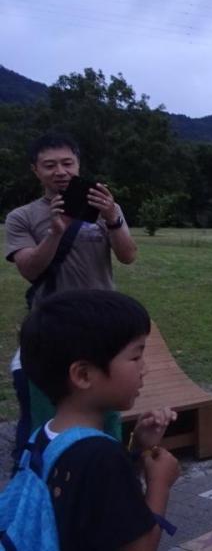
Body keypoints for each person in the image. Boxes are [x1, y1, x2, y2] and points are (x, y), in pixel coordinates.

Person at [5, 132, 138, 458]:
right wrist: (54, 232)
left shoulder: (105, 207)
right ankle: (48, 480)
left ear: (78, 165)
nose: (60, 171)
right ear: (35, 170)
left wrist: (113, 219)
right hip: (53, 328)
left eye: (67, 163)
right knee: (50, 417)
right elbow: (30, 270)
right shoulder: (21, 217)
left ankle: (109, 469)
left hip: (102, 326)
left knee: (106, 410)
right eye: (49, 165)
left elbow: (128, 255)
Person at [18, 289, 180, 551]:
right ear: (83, 375)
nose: (145, 368)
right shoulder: (102, 457)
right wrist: (159, 483)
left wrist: (137, 449)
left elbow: (95, 501)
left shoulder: (42, 437)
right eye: (136, 356)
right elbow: (139, 547)